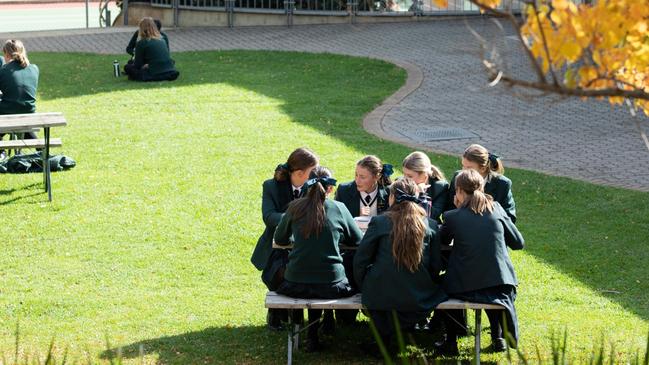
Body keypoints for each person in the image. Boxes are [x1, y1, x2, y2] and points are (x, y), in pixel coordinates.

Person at [274, 166, 363, 351]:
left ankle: (313, 332)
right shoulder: (339, 208)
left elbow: (280, 238)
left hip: (295, 283)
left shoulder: (295, 207)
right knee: (327, 277)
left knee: (311, 278)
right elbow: (357, 240)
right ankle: (321, 327)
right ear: (330, 188)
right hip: (332, 284)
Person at [437, 169, 524, 355]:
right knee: (486, 285)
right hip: (501, 283)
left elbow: (441, 242)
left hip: (464, 285)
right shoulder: (498, 209)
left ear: (459, 191)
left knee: (438, 286)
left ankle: (451, 340)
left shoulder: (453, 216)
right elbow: (518, 243)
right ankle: (497, 336)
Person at [354, 177, 445, 349]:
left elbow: (361, 259)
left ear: (392, 197)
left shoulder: (380, 222)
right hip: (418, 295)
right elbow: (436, 266)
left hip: (379, 294)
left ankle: (385, 340)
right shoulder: (431, 224)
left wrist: (364, 284)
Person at [250, 147, 319, 330]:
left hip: (304, 243)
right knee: (278, 273)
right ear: (299, 173)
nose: (316, 175)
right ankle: (276, 311)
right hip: (276, 243)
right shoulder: (271, 186)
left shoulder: (313, 186)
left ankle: (301, 316)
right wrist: (293, 218)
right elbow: (269, 216)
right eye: (312, 172)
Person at [334, 155, 393, 324]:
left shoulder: (389, 192)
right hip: (351, 246)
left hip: (379, 248)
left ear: (377, 177)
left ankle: (377, 311)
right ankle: (345, 315)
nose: (357, 180)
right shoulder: (345, 190)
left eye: (362, 177)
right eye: (356, 175)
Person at [447, 144, 517, 222]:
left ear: (483, 168)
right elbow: (448, 208)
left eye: (469, 168)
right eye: (463, 166)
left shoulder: (502, 184)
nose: (464, 171)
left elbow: (509, 217)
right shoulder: (458, 177)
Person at [0, 39, 39, 150]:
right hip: (29, 111)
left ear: (6, 54)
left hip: (8, 111)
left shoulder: (3, 70)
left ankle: (1, 152)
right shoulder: (34, 69)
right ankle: (41, 150)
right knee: (21, 124)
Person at [123, 17, 179, 82]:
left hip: (154, 73)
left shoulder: (141, 43)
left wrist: (145, 66)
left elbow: (137, 65)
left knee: (127, 67)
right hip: (170, 71)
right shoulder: (162, 39)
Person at [402, 151, 449, 222]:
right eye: (404, 174)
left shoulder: (440, 187)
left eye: (410, 176)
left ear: (424, 175)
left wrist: (420, 195)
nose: (405, 179)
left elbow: (432, 216)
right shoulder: (400, 184)